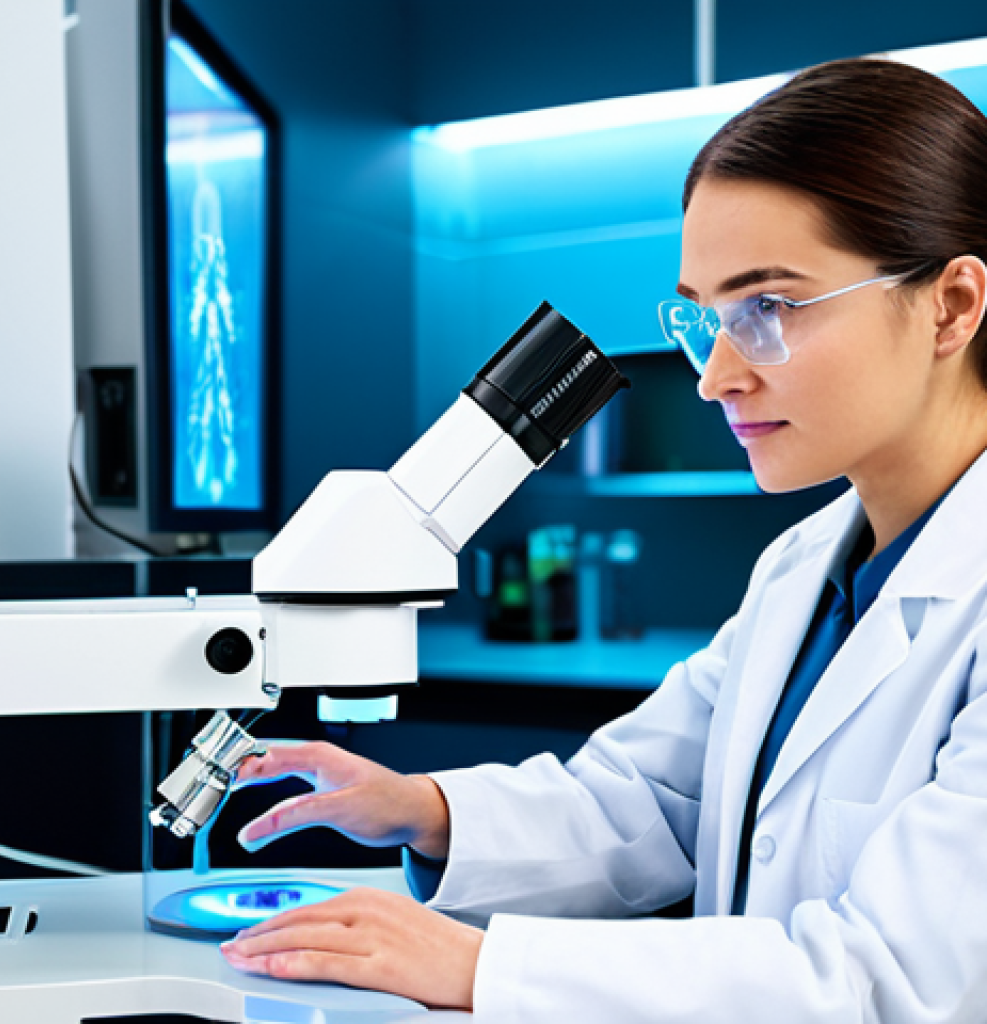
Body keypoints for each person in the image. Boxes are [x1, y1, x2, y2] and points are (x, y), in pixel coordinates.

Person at [220, 57, 987, 1020]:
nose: (714, 377)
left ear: (951, 306)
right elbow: (653, 803)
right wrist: (425, 810)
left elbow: (890, 982)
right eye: (705, 318)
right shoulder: (802, 568)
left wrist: (476, 968)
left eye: (769, 310)